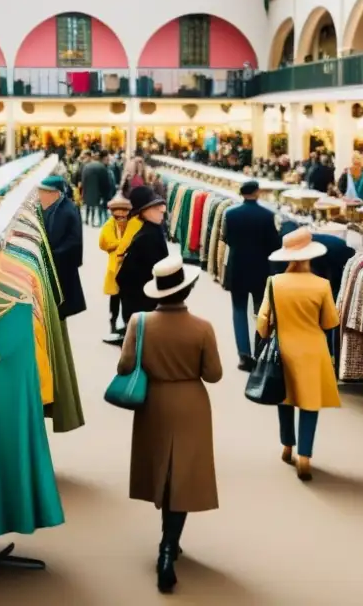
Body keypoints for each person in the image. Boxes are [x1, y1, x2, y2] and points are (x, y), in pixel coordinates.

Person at [116, 253, 222, 594]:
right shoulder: (203, 327)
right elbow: (213, 374)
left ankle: (167, 543)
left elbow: (124, 367)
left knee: (161, 470)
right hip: (191, 404)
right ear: (187, 289)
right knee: (183, 477)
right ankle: (168, 548)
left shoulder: (139, 322)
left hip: (154, 403)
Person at [257, 228, 341, 481]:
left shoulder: (275, 283)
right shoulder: (322, 285)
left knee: (285, 398)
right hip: (313, 351)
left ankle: (287, 445)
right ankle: (305, 456)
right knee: (309, 403)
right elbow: (329, 322)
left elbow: (263, 323)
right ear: (310, 256)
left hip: (283, 349)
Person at [224, 180, 282, 371]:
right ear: (257, 193)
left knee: (239, 311)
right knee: (261, 310)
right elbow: (275, 245)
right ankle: (260, 350)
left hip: (237, 268)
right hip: (260, 269)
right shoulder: (266, 216)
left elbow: (227, 239)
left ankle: (244, 355)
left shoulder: (230, 214)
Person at [115, 186, 169, 327]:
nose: (162, 214)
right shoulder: (147, 237)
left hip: (143, 304)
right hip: (143, 305)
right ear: (145, 211)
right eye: (158, 210)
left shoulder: (152, 231)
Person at [38, 176, 86, 319]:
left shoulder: (67, 211)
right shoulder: (54, 208)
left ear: (55, 193)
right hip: (58, 264)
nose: (40, 196)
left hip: (62, 265)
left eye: (43, 192)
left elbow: (74, 242)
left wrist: (51, 255)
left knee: (61, 306)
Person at [99, 193, 138, 343]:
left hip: (128, 268)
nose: (121, 216)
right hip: (115, 268)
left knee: (126, 298)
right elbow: (103, 243)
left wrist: (118, 245)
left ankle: (124, 325)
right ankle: (113, 324)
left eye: (123, 212)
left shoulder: (132, 224)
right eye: (117, 213)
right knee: (115, 297)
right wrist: (121, 245)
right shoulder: (110, 225)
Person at [82, 149, 113, 227]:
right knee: (96, 207)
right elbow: (106, 183)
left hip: (87, 192)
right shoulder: (102, 168)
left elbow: (83, 181)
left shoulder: (86, 166)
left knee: (89, 206)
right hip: (98, 193)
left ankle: (87, 219)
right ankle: (96, 221)